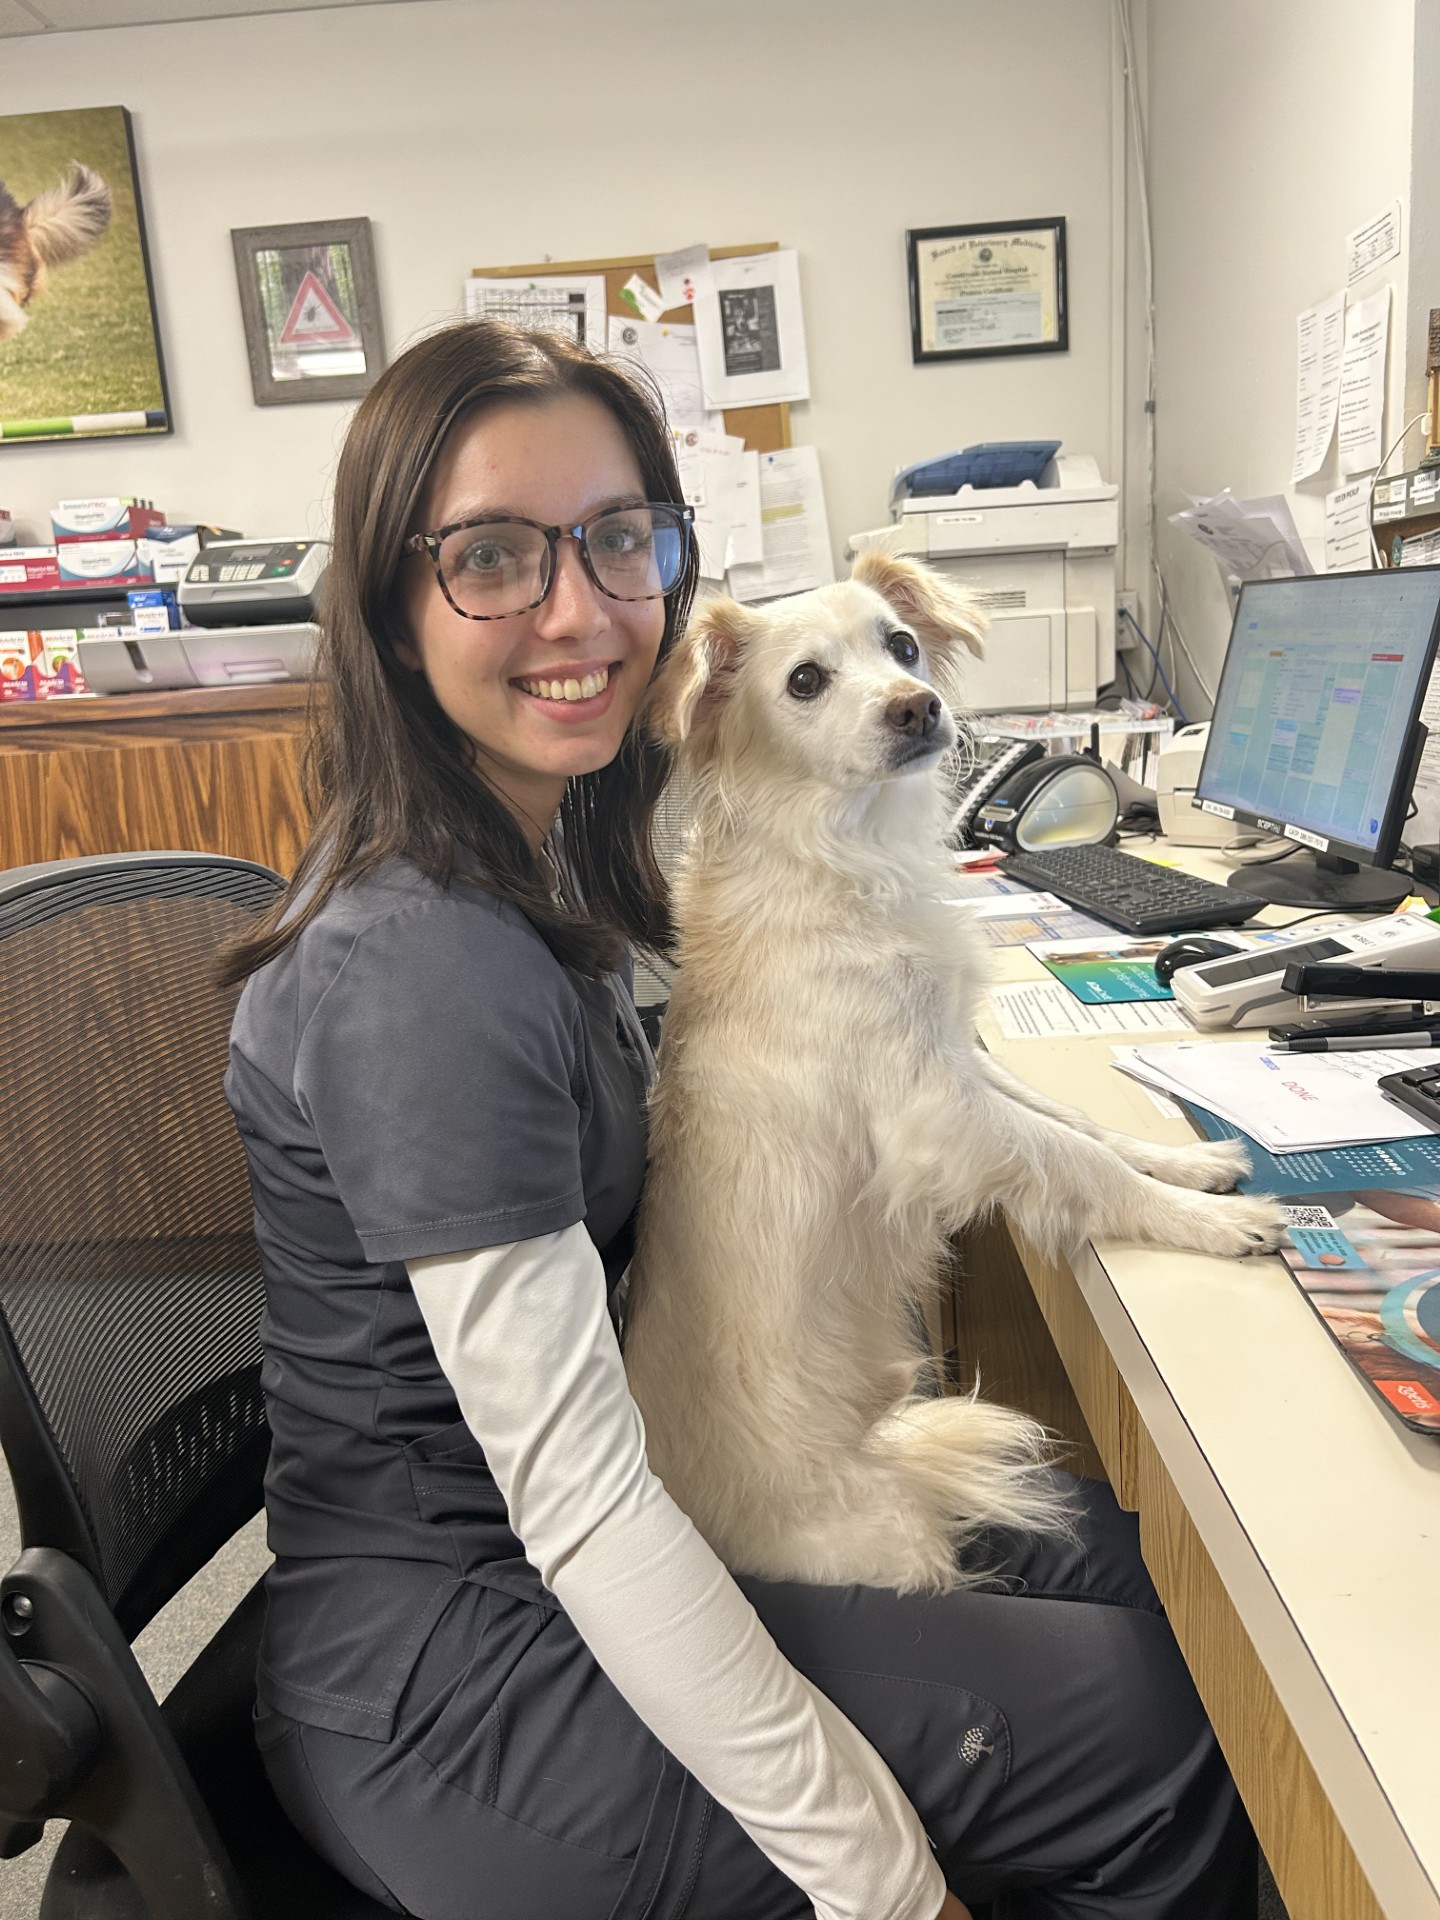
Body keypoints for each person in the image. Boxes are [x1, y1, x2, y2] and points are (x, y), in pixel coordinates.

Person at [222, 319, 1258, 1920]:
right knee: (1170, 1739)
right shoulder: (423, 974)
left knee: (1131, 1575)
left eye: (617, 536)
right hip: (467, 1672)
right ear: (388, 608)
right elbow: (577, 1502)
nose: (580, 608)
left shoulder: (529, 870)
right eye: (493, 556)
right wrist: (876, 1875)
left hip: (580, 1546)